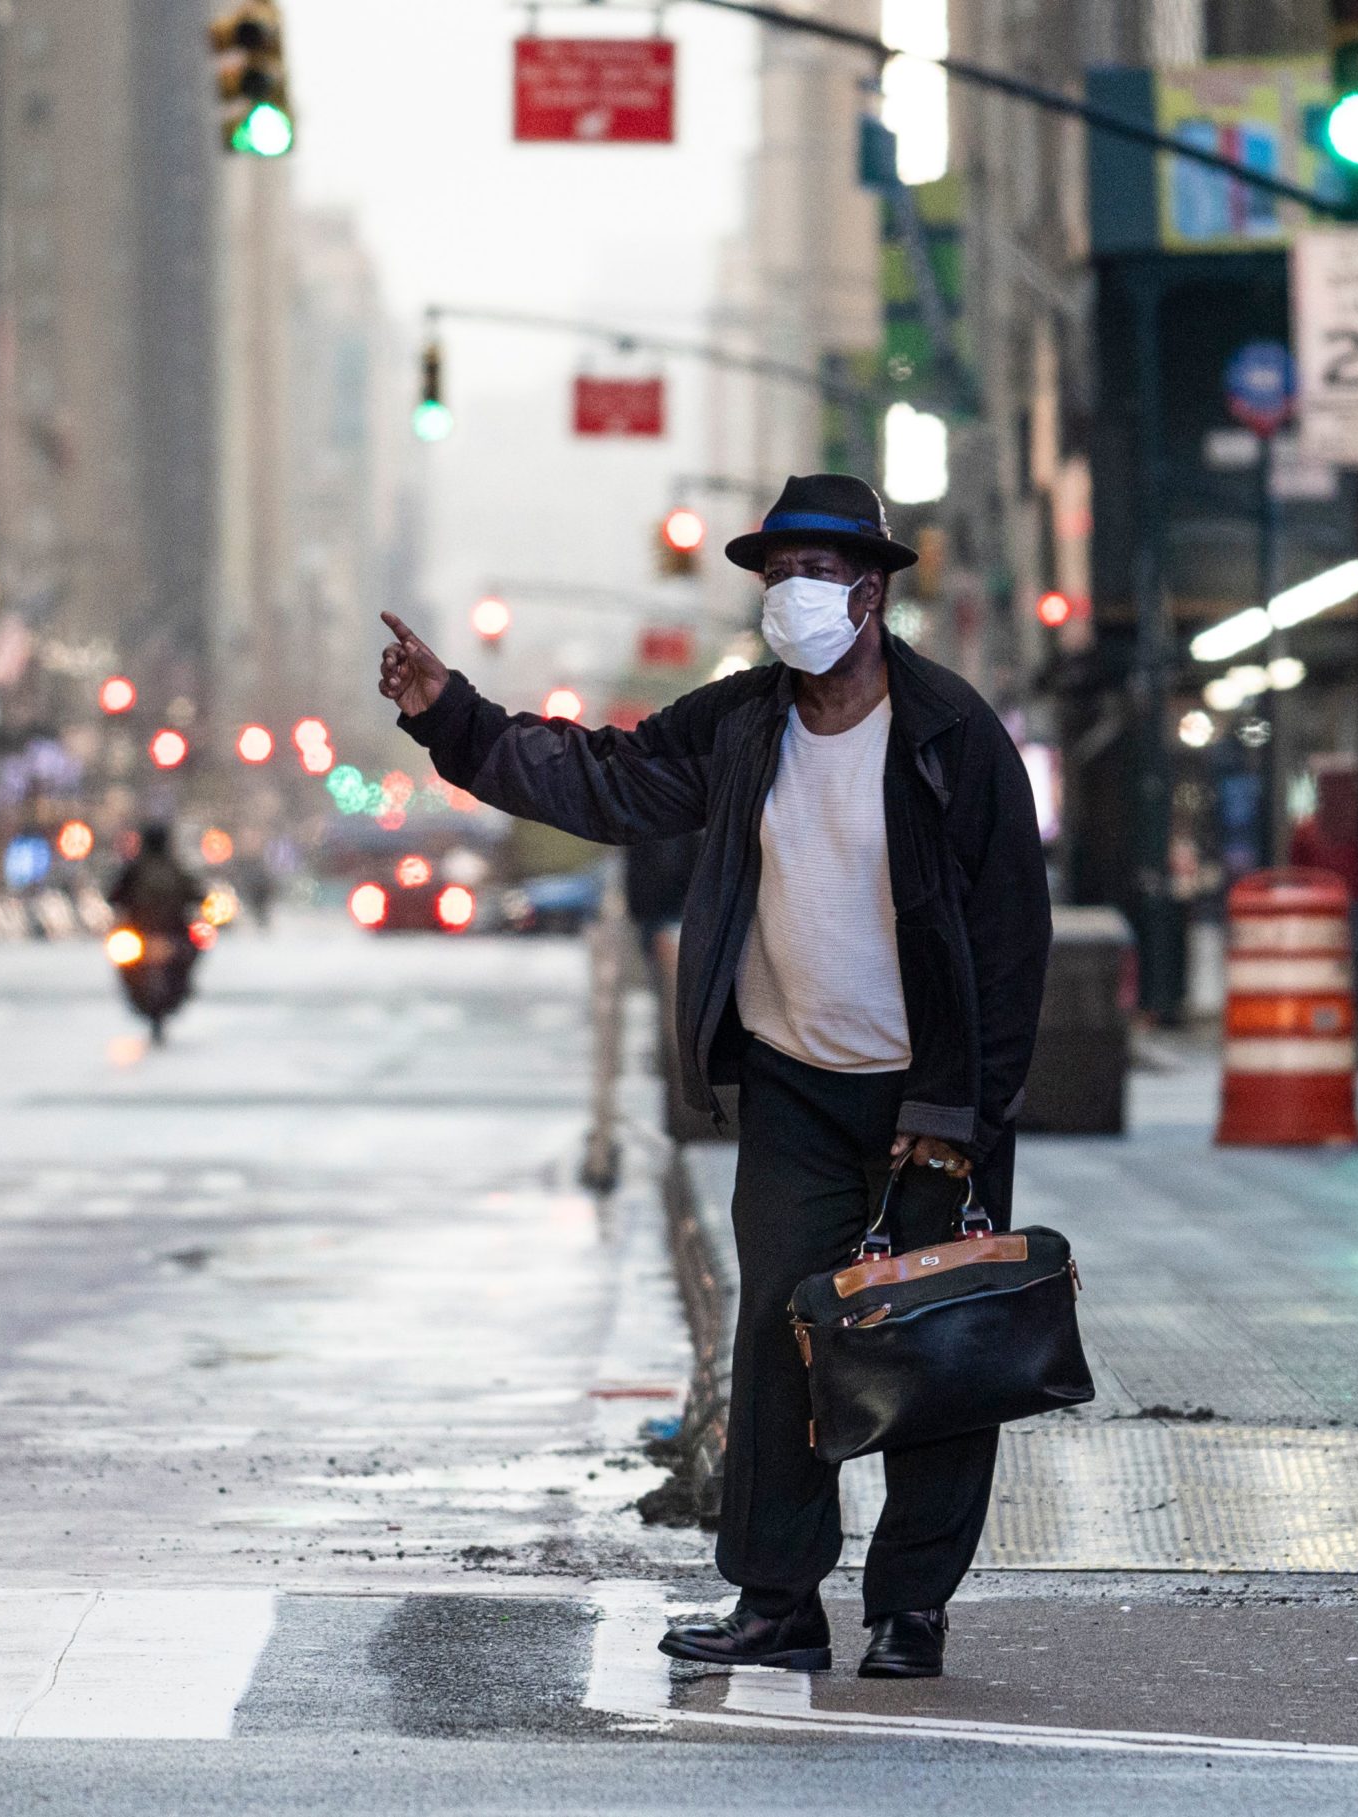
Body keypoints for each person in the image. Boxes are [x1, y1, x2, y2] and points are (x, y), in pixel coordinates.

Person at [380, 473, 1051, 1679]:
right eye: (775, 572)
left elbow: (1011, 945)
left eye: (818, 571)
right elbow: (602, 777)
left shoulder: (954, 738)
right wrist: (453, 718)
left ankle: (912, 1608)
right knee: (783, 1333)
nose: (793, 593)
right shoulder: (742, 725)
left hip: (932, 1103)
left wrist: (960, 1119)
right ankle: (778, 1600)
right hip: (794, 1081)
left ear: (873, 588)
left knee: (939, 1351)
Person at [107, 824, 203, 936]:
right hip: (153, 933)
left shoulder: (133, 871)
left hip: (161, 933)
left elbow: (115, 897)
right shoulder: (177, 870)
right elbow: (196, 895)